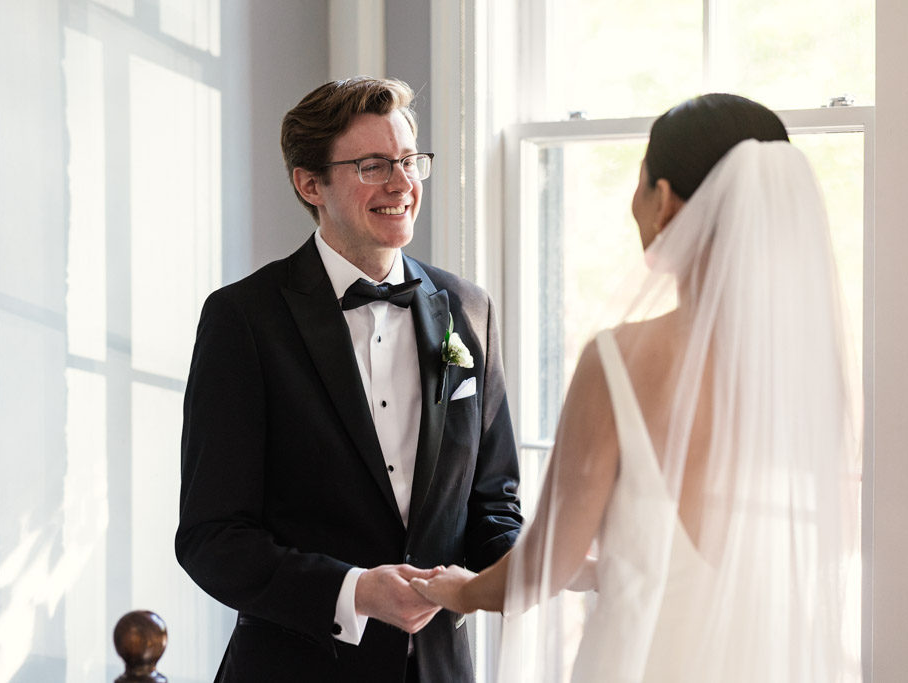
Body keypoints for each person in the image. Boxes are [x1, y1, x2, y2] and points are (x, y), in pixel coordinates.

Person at [411, 93, 861, 682]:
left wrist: (460, 592)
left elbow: (546, 561)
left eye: (641, 178)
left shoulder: (620, 360)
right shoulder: (808, 368)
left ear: (665, 201)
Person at [175, 76, 523, 683]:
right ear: (310, 184)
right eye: (372, 165)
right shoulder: (244, 320)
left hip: (441, 670)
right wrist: (355, 592)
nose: (401, 184)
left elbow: (494, 502)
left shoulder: (470, 309)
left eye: (410, 161)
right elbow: (212, 536)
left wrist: (519, 570)